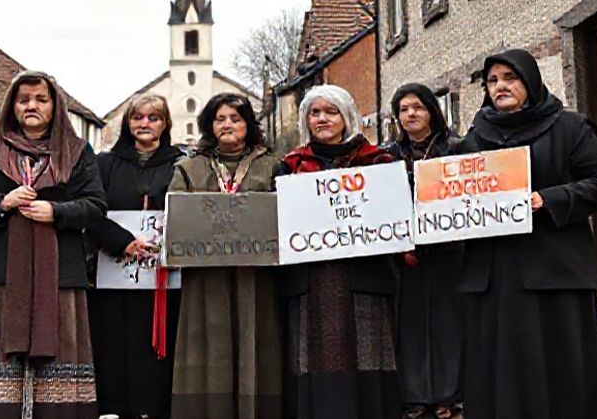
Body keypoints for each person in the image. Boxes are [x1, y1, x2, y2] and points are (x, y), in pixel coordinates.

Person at [459, 49, 597, 419]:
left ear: (530, 81)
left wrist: (548, 199)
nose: (500, 86)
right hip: (495, 275)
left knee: (559, 367)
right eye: (493, 80)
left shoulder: (569, 128)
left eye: (510, 78)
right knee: (501, 368)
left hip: (554, 273)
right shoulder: (475, 138)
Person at [0, 71, 106, 419]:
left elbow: (96, 206)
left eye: (40, 99)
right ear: (12, 106)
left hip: (59, 276)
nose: (31, 106)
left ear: (55, 106)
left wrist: (56, 211)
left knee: (58, 358)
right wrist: (3, 203)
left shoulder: (77, 153)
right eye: (23, 100)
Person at [278, 85, 402, 419]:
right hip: (312, 279)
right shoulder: (290, 167)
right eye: (314, 113)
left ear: (346, 117)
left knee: (368, 352)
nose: (322, 119)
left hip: (364, 278)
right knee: (314, 353)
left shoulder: (378, 162)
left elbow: (392, 214)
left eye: (331, 112)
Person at [168, 92, 283, 419]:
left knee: (254, 340)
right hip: (206, 276)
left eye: (235, 118)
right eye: (220, 119)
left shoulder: (273, 165)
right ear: (209, 125)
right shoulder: (188, 168)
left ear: (249, 125)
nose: (228, 125)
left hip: (255, 276)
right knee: (208, 342)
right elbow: (176, 217)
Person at [87, 94, 184, 419]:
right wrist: (122, 242)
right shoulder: (104, 164)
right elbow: (90, 210)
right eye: (137, 117)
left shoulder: (181, 165)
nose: (145, 124)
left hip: (164, 279)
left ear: (165, 124)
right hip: (113, 277)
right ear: (128, 123)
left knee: (158, 350)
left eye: (153, 118)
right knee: (114, 348)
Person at [384, 84, 463, 419]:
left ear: (432, 110)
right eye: (403, 109)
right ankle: (414, 397)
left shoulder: (457, 148)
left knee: (449, 325)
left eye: (417, 107)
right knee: (410, 327)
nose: (411, 114)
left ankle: (449, 395)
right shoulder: (388, 156)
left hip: (449, 253)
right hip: (405, 257)